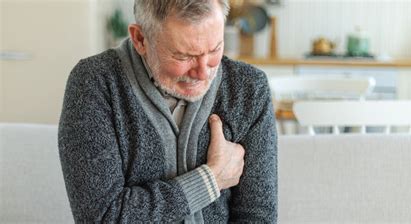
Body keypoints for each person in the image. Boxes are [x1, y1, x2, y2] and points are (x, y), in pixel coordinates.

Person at [58, 0, 277, 223]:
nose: (202, 73)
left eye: (214, 49)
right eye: (184, 56)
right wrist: (210, 180)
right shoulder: (94, 83)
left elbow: (258, 217)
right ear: (140, 39)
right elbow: (102, 218)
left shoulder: (249, 88)